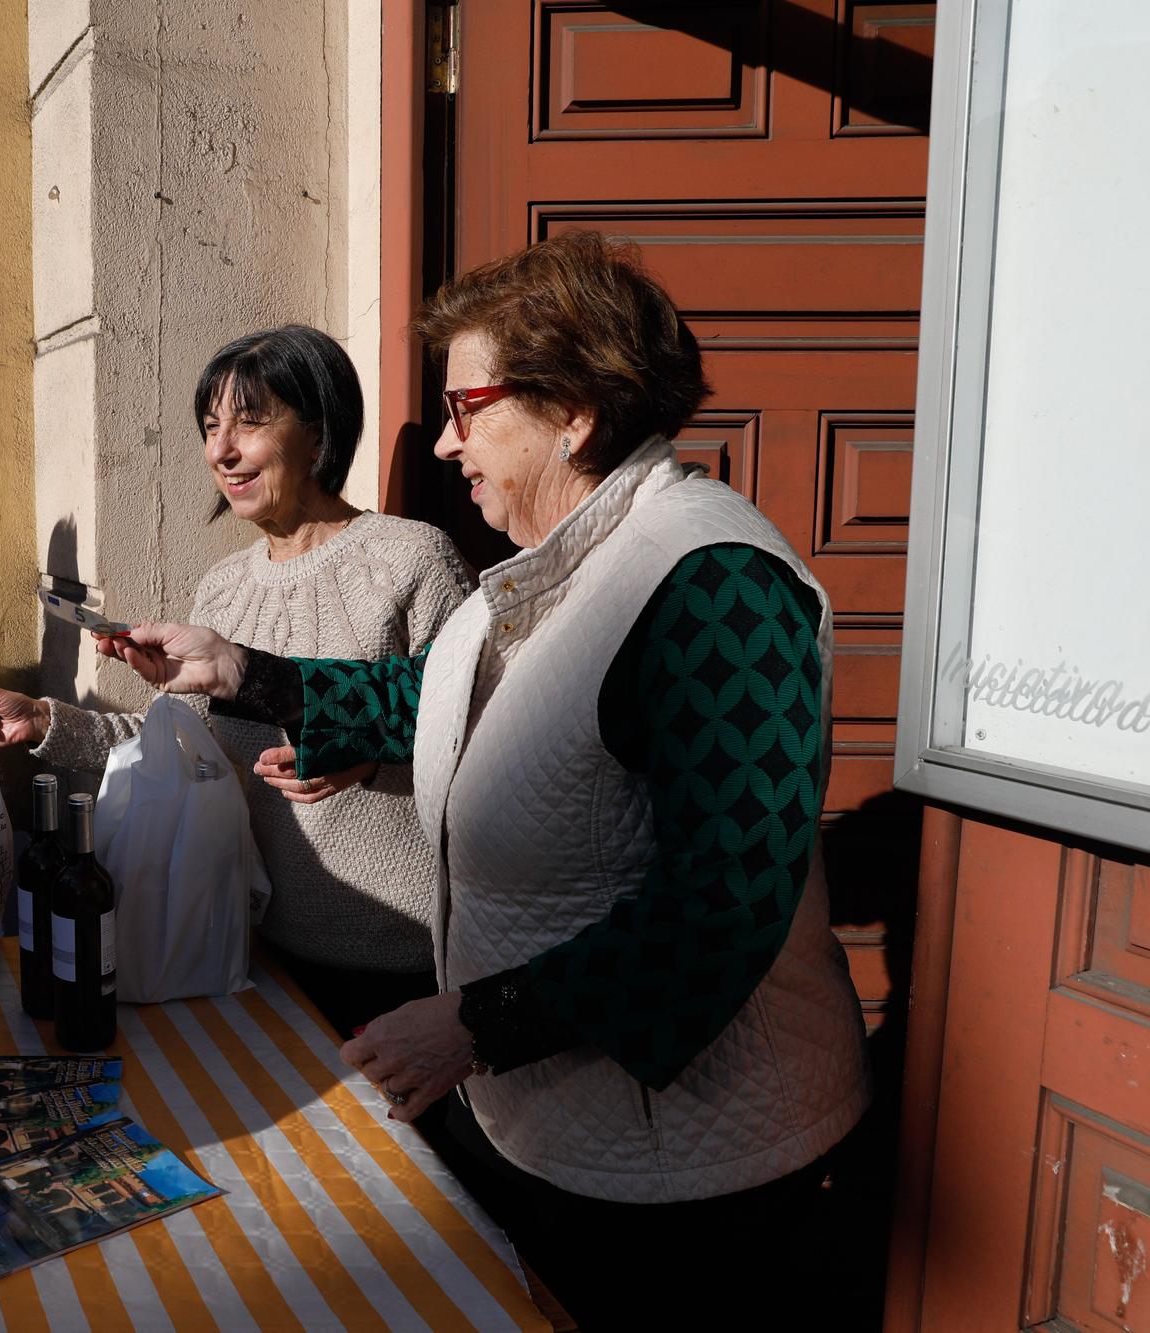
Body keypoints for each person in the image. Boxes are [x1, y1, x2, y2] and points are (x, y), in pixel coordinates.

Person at [97, 234, 871, 1329]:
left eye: (468, 408)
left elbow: (724, 902)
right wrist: (239, 671)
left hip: (696, 1180)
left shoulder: (714, 582)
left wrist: (473, 1024)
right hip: (551, 1128)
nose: (448, 443)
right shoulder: (552, 567)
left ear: (573, 412)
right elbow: (436, 700)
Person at [0, 325, 473, 1033]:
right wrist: (44, 721)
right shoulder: (224, 590)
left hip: (405, 966)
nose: (221, 450)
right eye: (210, 426)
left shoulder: (414, 560)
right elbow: (186, 749)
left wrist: (367, 757)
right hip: (256, 952)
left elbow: (471, 738)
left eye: (250, 423)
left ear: (318, 432)